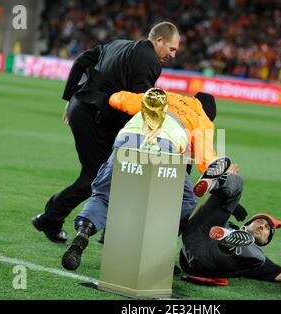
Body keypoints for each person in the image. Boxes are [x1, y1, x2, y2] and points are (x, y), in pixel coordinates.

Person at [32, 22, 180, 243]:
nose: (173, 55)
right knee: (97, 176)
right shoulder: (150, 62)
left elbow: (82, 61)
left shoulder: (119, 44)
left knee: (110, 172)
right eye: (172, 49)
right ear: (159, 41)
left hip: (84, 107)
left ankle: (94, 225)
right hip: (93, 116)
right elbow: (139, 104)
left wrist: (69, 98)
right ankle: (51, 217)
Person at [60, 87, 234, 271]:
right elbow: (207, 161)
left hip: (127, 139)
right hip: (164, 146)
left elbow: (119, 99)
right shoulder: (202, 117)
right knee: (186, 199)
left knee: (105, 194)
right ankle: (153, 248)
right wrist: (226, 174)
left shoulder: (164, 96)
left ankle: (84, 229)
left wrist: (112, 97)